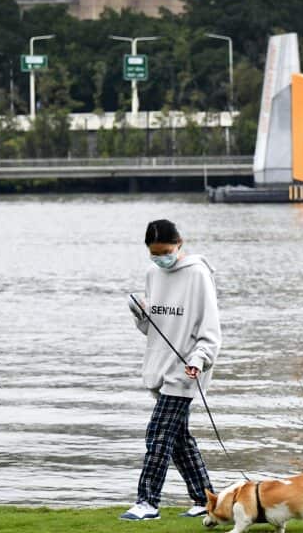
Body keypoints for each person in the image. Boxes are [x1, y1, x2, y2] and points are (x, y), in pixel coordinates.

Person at [120, 219, 223, 521]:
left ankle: (147, 502)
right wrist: (140, 315)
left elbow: (210, 328)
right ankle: (206, 499)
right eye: (154, 253)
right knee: (178, 439)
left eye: (164, 251)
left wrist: (199, 359)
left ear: (179, 243)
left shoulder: (198, 275)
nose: (160, 258)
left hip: (187, 369)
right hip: (159, 367)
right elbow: (155, 328)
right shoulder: (153, 272)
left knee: (158, 434)